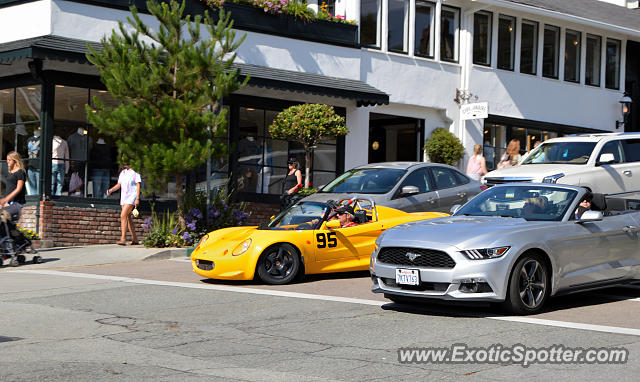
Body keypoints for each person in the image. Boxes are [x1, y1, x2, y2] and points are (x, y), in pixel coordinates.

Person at [106, 162, 141, 245]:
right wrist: (111, 190)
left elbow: (138, 185)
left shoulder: (135, 172)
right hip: (124, 197)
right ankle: (135, 239)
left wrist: (137, 198)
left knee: (123, 215)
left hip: (132, 197)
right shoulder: (123, 173)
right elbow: (119, 184)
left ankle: (123, 239)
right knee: (128, 217)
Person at [1, 151, 27, 218]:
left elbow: (18, 189)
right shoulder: (10, 172)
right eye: (7, 160)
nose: (7, 162)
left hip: (16, 202)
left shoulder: (20, 172)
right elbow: (9, 188)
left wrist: (6, 199)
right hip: (8, 202)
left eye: (9, 160)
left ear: (15, 160)